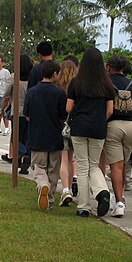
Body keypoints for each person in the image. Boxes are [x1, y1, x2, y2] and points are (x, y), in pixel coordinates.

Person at [66, 47, 115, 218]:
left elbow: (68, 107)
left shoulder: (76, 82)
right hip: (98, 127)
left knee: (82, 166)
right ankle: (102, 191)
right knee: (94, 165)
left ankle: (84, 206)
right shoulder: (107, 83)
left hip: (79, 127)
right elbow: (110, 110)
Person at [104, 55, 132, 217]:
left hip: (113, 125)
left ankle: (119, 201)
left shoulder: (106, 83)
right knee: (124, 164)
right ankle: (122, 195)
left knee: (115, 166)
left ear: (109, 67)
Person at [25, 61, 67, 210]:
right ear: (55, 74)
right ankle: (48, 198)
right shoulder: (60, 93)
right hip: (55, 136)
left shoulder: (32, 92)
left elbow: (27, 115)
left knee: (38, 167)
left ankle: (42, 185)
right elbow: (64, 115)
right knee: (53, 170)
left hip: (37, 135)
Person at [55, 59, 79, 205]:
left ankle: (65, 189)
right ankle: (72, 182)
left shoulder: (58, 87)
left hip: (62, 125)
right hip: (75, 125)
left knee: (63, 158)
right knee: (72, 158)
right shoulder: (77, 86)